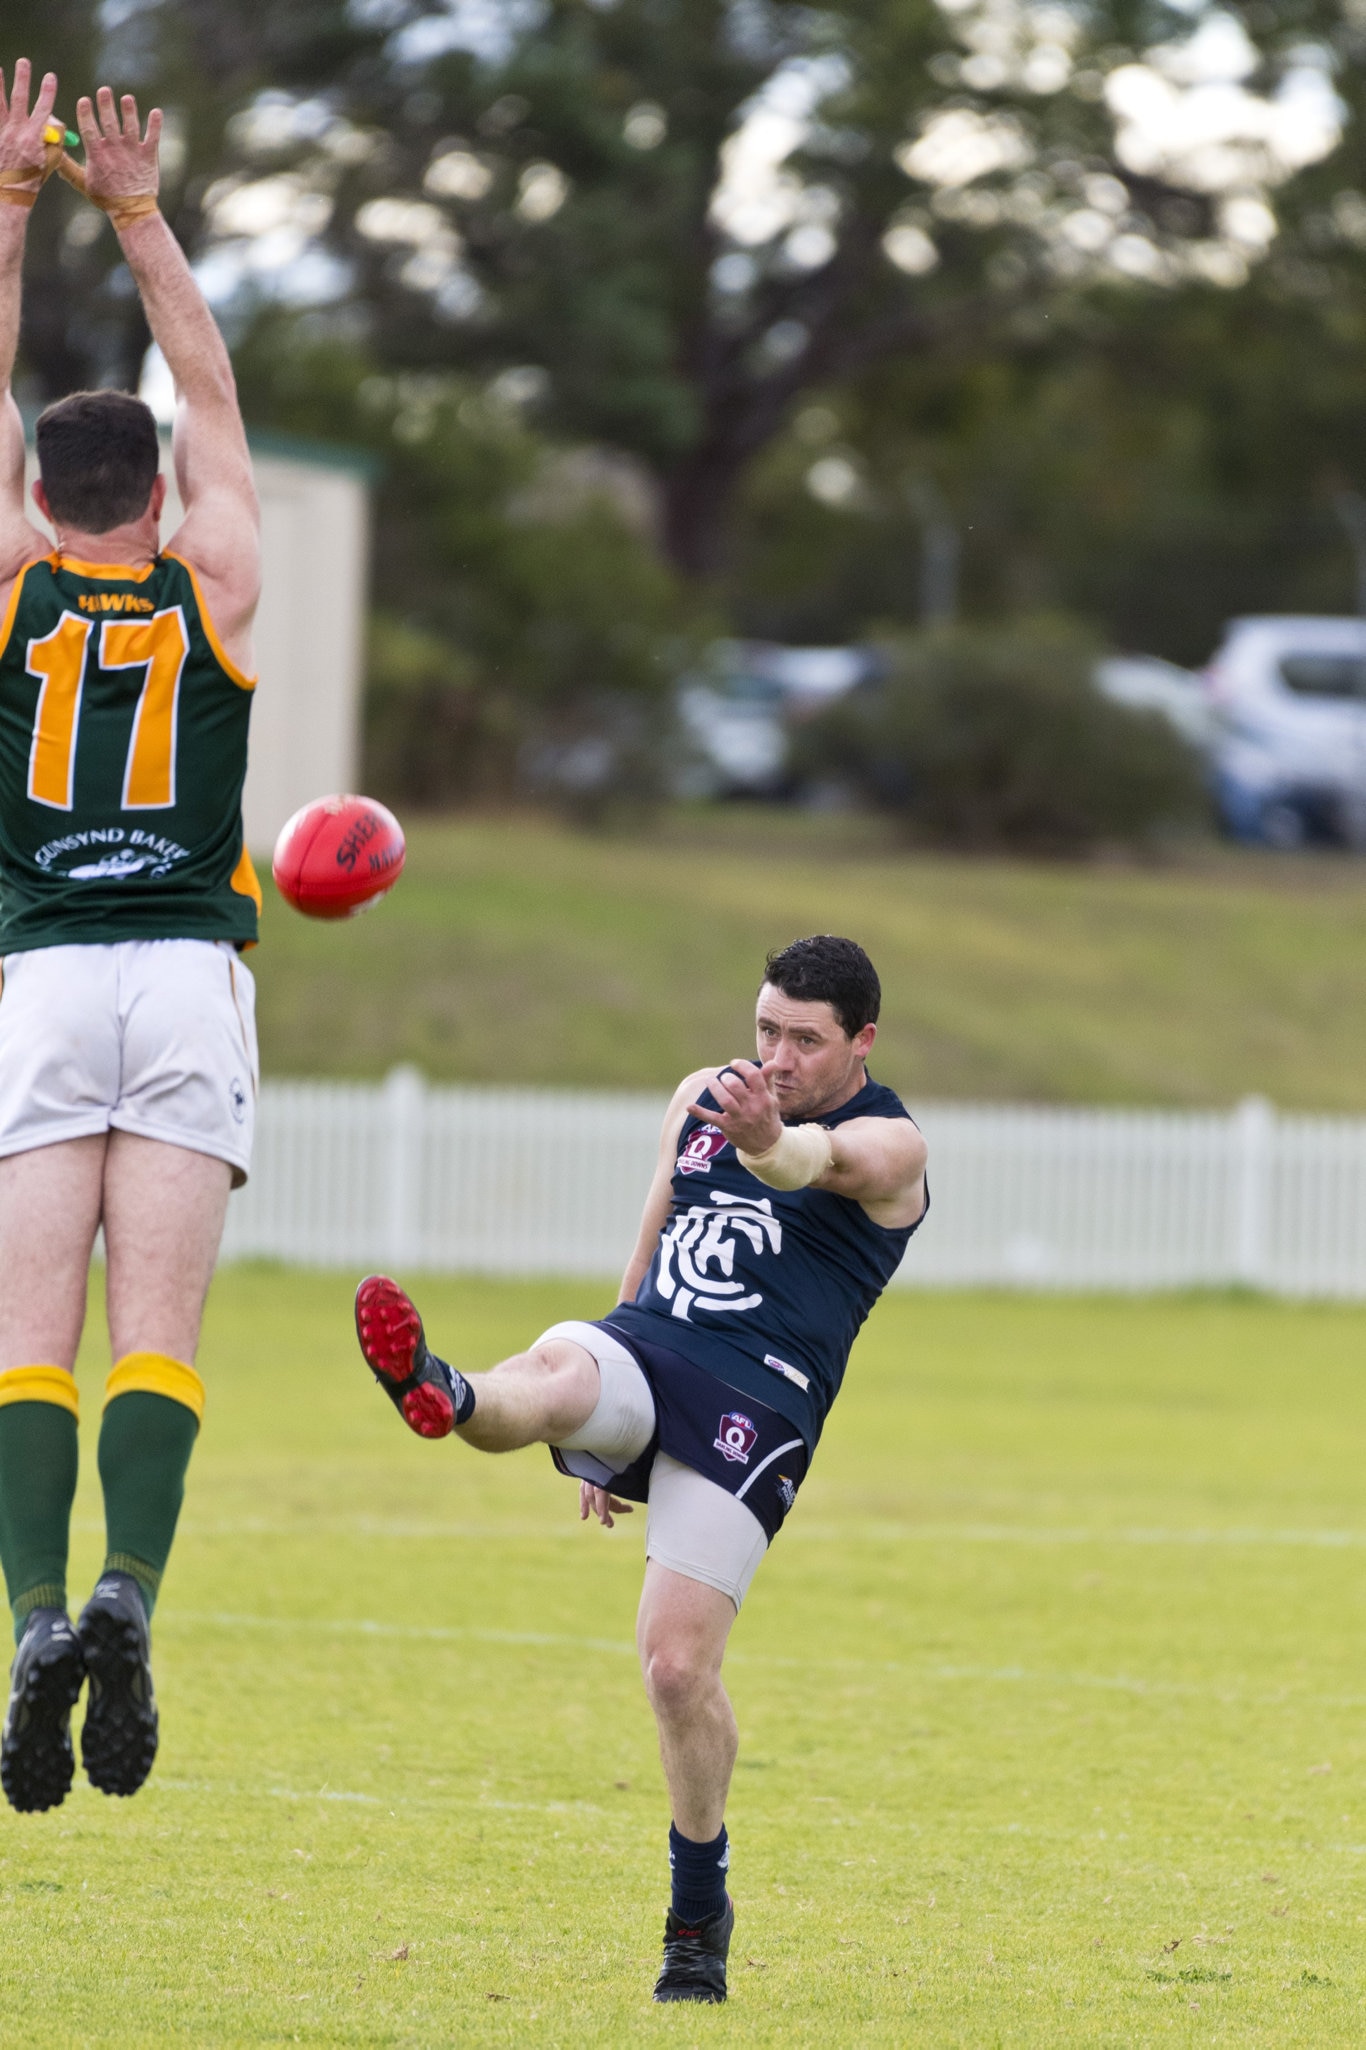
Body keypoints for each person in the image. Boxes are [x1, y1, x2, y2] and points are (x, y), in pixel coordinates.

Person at [354, 934, 929, 2003]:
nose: (776, 1055)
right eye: (766, 1029)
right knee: (558, 1368)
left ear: (862, 1040)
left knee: (675, 1670)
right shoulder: (703, 1093)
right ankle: (449, 1392)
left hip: (758, 1396)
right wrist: (614, 1376)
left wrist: (770, 1137)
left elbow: (809, 1164)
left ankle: (697, 1906)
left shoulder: (891, 1145)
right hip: (651, 1341)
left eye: (804, 1039)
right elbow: (656, 1225)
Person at [0, 61, 262, 1812]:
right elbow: (216, 385)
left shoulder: (10, 587)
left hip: (31, 978)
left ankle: (31, 1612)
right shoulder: (214, 575)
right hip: (185, 975)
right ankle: (127, 1588)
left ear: (38, 488)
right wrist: (131, 208)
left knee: (30, 1332)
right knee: (154, 1326)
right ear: (159, 497)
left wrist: (7, 211)